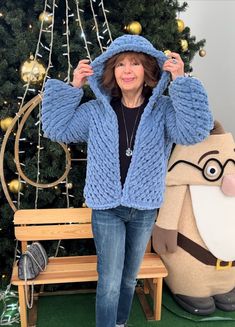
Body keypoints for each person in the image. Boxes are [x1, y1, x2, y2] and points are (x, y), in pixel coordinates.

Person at [41, 34, 213, 327]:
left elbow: (195, 130)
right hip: (107, 209)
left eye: (135, 63)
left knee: (129, 278)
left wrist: (181, 81)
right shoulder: (97, 111)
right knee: (109, 281)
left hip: (144, 209)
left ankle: (120, 323)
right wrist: (74, 87)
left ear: (147, 70)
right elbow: (57, 128)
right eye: (120, 63)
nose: (127, 69)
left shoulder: (163, 110)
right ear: (112, 71)